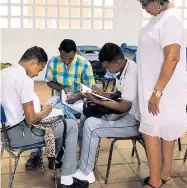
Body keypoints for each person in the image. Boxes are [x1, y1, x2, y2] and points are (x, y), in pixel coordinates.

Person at [134, 0, 187, 188]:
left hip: (160, 89)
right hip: (155, 87)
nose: (144, 8)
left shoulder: (171, 19)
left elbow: (172, 57)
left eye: (145, 3)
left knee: (151, 132)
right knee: (164, 130)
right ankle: (165, 174)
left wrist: (157, 92)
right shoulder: (161, 17)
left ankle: (155, 181)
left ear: (157, 0)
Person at [0, 47, 79, 188]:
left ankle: (54, 158)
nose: (37, 74)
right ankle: (67, 179)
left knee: (61, 123)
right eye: (39, 70)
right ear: (33, 62)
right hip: (19, 135)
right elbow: (31, 119)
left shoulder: (5, 72)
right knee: (71, 125)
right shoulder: (24, 79)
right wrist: (46, 111)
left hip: (4, 134)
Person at [73, 43, 140, 183]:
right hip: (124, 114)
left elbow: (122, 106)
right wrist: (102, 94)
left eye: (108, 67)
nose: (107, 70)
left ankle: (86, 172)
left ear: (117, 61)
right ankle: (82, 156)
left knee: (92, 125)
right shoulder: (124, 68)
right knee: (87, 115)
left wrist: (97, 101)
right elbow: (118, 95)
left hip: (133, 121)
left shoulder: (132, 73)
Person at [25, 39, 95, 171]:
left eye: (70, 58)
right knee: (40, 113)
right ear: (59, 52)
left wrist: (77, 97)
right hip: (59, 96)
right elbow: (49, 82)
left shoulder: (84, 63)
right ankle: (35, 152)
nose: (66, 61)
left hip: (79, 100)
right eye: (63, 58)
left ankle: (60, 152)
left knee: (60, 115)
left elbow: (90, 88)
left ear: (75, 53)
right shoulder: (54, 61)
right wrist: (61, 88)